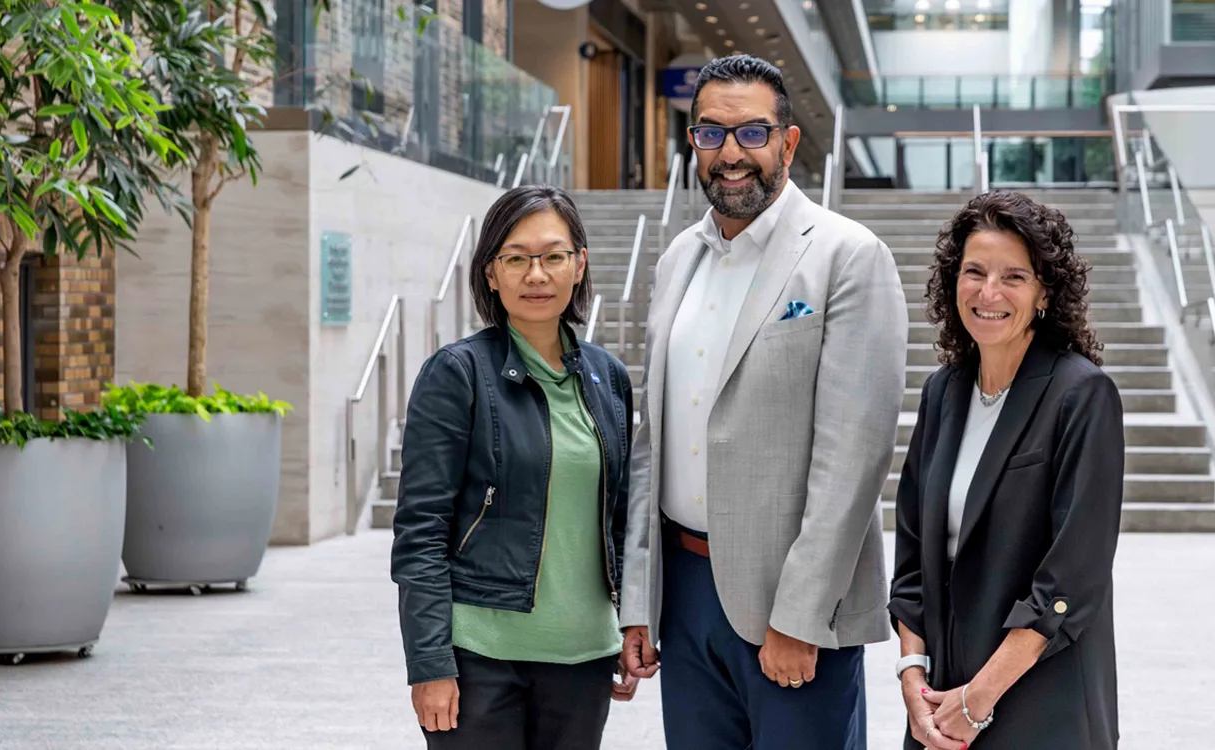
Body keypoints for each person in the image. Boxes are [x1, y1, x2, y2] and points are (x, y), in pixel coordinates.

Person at [617, 54, 908, 750]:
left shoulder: (848, 255)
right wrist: (638, 599)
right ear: (692, 143)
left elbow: (854, 458)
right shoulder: (675, 260)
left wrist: (801, 617)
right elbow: (649, 443)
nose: (731, 154)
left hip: (790, 601)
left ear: (788, 141)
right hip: (684, 594)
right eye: (711, 134)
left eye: (752, 133)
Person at [390, 185, 638, 750]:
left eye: (553, 256)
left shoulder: (607, 377)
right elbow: (420, 531)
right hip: (482, 659)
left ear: (579, 266)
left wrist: (627, 623)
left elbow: (620, 521)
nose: (536, 274)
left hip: (582, 659)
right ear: (490, 273)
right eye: (516, 258)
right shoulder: (457, 373)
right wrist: (429, 662)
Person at [889, 190, 1125, 750]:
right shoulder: (942, 391)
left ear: (1045, 292)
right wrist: (913, 677)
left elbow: (1071, 579)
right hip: (939, 702)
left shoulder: (1082, 394)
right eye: (974, 272)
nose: (988, 293)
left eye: (1013, 277)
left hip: (1042, 696)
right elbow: (913, 555)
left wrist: (979, 699)